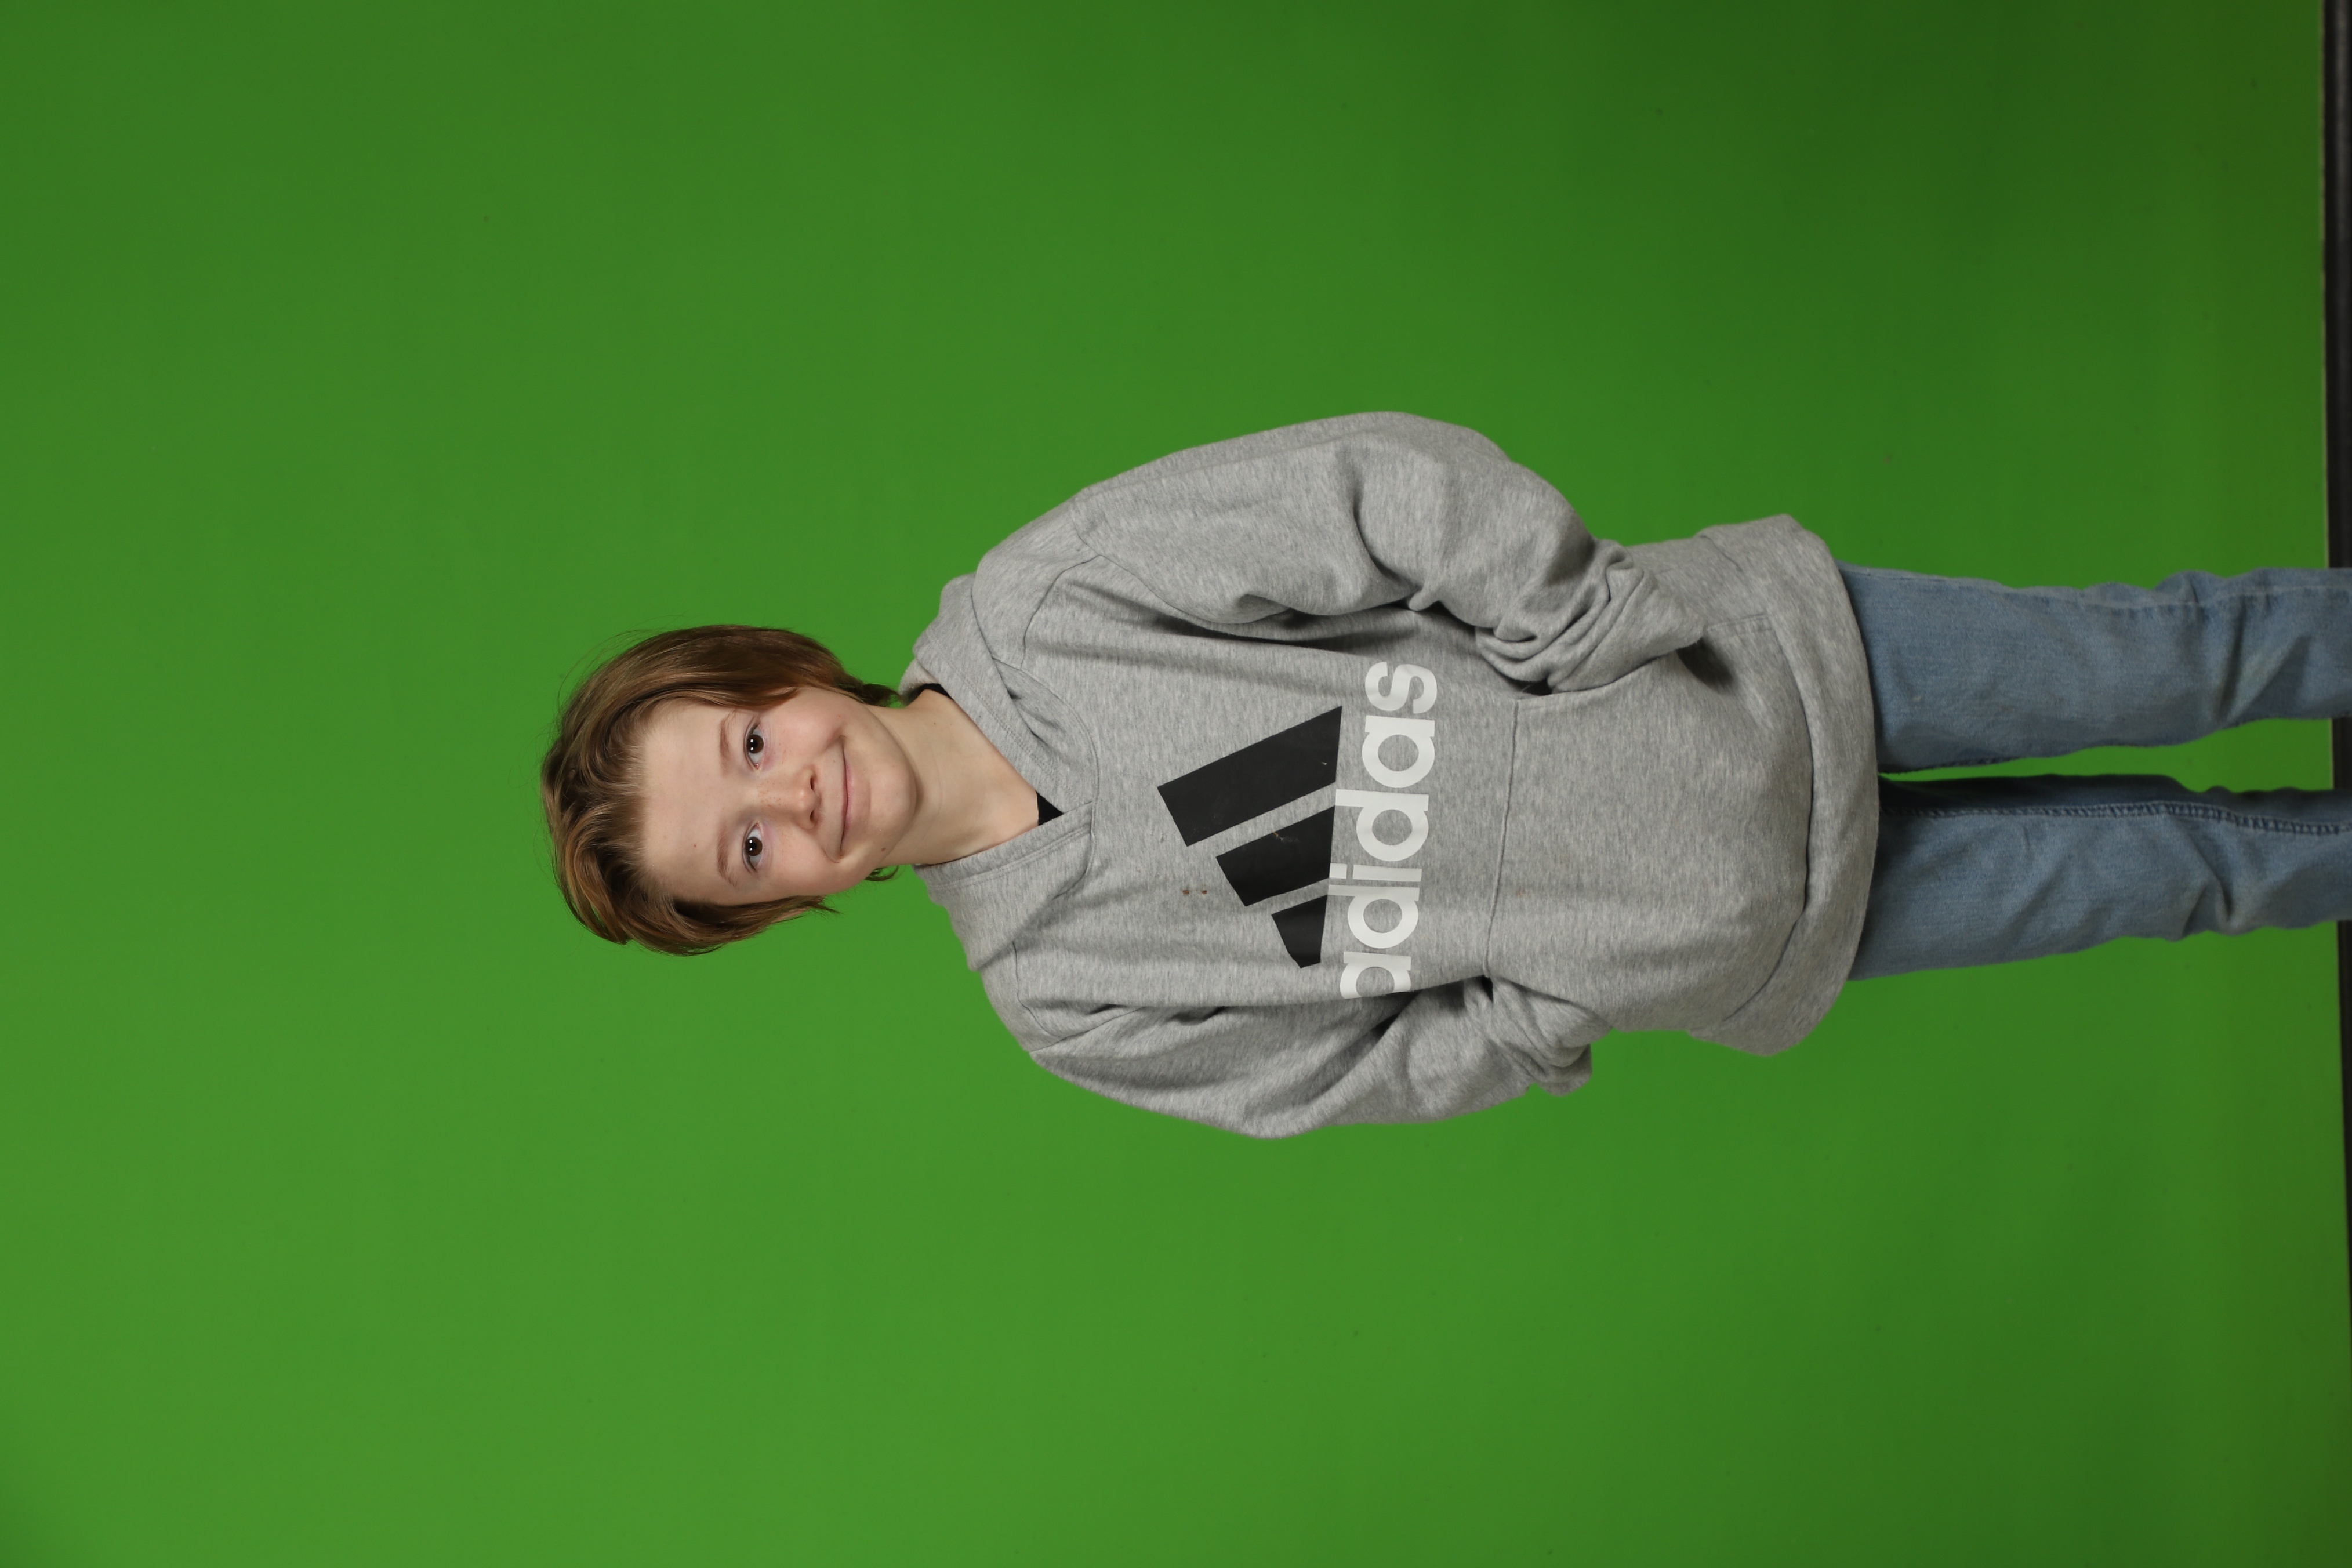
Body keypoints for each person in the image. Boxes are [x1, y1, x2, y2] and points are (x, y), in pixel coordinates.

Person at [540, 412, 2352, 1138]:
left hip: (1779, 664)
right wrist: (1574, 992)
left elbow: (1375, 490)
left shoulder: (1049, 602)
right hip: (1774, 928)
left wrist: (1580, 622)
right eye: (747, 846)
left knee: (2192, 654)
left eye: (751, 745)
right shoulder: (1062, 997)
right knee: (2198, 875)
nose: (795, 795)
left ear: (779, 672)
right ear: (779, 905)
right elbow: (1359, 1075)